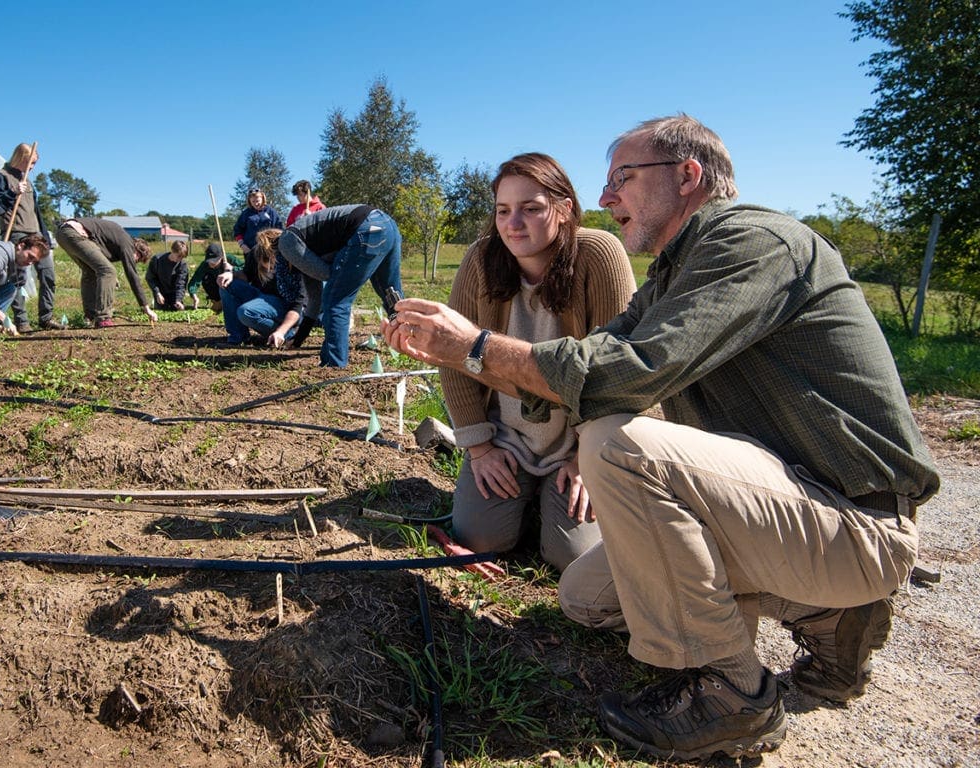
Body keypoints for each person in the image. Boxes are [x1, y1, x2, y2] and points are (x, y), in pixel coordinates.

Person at [383, 114, 940, 761]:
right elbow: (600, 354)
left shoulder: (752, 242)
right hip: (790, 512)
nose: (606, 197)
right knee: (584, 597)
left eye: (622, 176)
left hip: (856, 524)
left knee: (620, 443)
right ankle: (827, 614)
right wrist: (477, 372)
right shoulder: (677, 273)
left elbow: (632, 373)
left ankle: (734, 694)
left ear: (688, 175)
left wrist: (474, 347)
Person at [442, 153, 635, 574]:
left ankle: (549, 499)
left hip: (577, 438)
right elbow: (455, 359)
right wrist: (479, 448)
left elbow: (619, 369)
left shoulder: (598, 254)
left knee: (573, 558)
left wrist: (590, 455)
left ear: (564, 210)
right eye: (503, 211)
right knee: (480, 540)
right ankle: (523, 498)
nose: (514, 224)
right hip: (507, 436)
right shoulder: (480, 259)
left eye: (531, 209)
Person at [277, 205, 402, 367]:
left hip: (366, 228)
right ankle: (409, 342)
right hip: (387, 225)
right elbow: (315, 300)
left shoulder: (287, 242)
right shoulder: (306, 241)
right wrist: (298, 339)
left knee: (336, 299)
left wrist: (347, 276)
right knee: (391, 293)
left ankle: (333, 365)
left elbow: (329, 277)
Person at [0, 143, 64, 332]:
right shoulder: (1, 177)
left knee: (48, 275)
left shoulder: (28, 181)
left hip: (36, 233)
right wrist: (12, 192)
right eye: (31, 163)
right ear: (22, 158)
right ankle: (22, 321)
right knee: (18, 279)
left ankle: (46, 317)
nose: (32, 167)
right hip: (16, 233)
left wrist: (45, 235)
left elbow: (36, 211)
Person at [54, 217, 158, 327]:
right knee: (108, 271)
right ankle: (103, 318)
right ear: (137, 250)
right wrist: (146, 307)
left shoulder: (118, 241)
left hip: (63, 233)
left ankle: (91, 316)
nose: (135, 262)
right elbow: (132, 275)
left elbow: (100, 256)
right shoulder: (128, 244)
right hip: (74, 232)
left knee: (90, 272)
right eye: (138, 259)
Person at [216, 228, 306, 347]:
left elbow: (298, 307)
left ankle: (287, 335)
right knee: (227, 285)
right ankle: (238, 338)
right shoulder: (257, 252)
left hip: (288, 307)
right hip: (263, 298)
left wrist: (281, 331)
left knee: (246, 311)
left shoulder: (296, 262)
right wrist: (231, 274)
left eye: (270, 260)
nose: (268, 267)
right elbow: (247, 275)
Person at [187, 242, 244, 311]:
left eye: (214, 261)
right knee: (206, 279)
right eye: (209, 261)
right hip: (216, 287)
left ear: (221, 257)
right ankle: (218, 302)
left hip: (230, 286)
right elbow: (195, 280)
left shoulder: (229, 259)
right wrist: (194, 295)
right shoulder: (205, 265)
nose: (211, 263)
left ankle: (233, 302)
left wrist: (232, 268)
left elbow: (245, 268)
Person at [233, 188, 282, 256]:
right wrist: (242, 245)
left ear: (262, 198)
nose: (256, 203)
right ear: (249, 201)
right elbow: (237, 231)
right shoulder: (246, 214)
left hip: (269, 251)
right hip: (250, 251)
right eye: (253, 201)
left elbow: (279, 230)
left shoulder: (271, 212)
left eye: (257, 201)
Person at [145, 240, 190, 311]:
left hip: (174, 293)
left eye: (182, 257)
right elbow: (150, 278)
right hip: (160, 291)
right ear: (172, 250)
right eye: (178, 256)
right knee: (160, 312)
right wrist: (157, 292)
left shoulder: (182, 265)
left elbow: (181, 284)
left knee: (177, 310)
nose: (180, 259)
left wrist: (178, 299)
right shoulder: (157, 260)